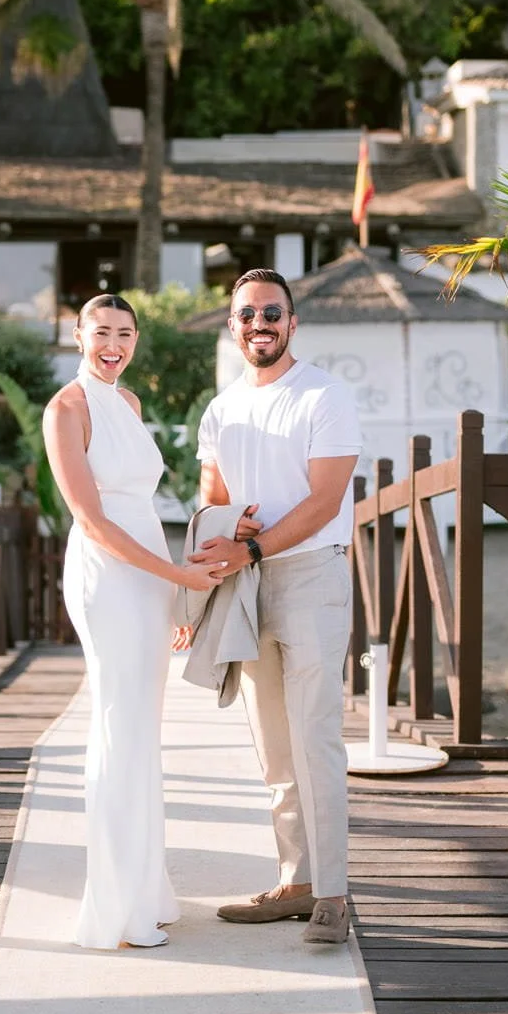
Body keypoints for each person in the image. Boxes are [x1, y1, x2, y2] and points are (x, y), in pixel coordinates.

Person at [43, 294, 222, 950]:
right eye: (100, 333)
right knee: (118, 725)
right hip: (106, 575)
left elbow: (146, 510)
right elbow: (91, 519)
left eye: (123, 333)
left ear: (135, 339)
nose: (112, 344)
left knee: (144, 729)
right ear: (78, 335)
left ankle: (146, 890)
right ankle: (114, 909)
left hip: (147, 576)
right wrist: (178, 579)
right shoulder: (67, 408)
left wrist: (172, 593)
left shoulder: (129, 404)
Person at [192, 268, 361, 946]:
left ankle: (332, 895)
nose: (258, 324)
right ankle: (293, 882)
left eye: (271, 313)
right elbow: (213, 498)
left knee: (314, 736)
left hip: (311, 577)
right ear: (232, 327)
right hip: (245, 586)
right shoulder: (219, 409)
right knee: (272, 746)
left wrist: (251, 552)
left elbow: (324, 500)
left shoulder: (325, 394)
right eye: (246, 315)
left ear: (292, 323)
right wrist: (205, 577)